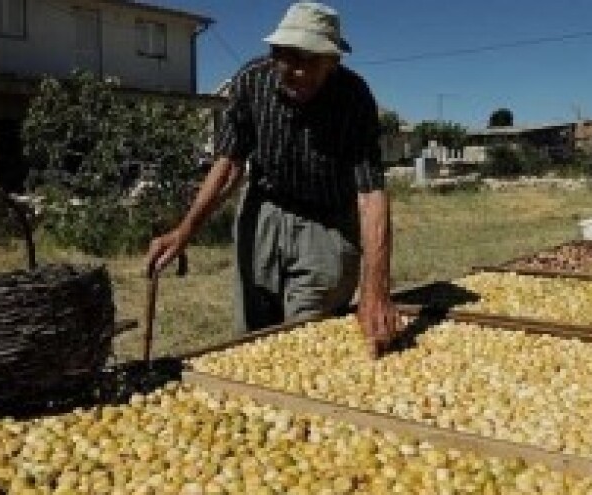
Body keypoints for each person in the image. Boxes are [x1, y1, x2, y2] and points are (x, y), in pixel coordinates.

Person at [145, 2, 402, 356]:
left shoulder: (353, 98)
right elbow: (230, 164)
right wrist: (185, 230)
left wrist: (376, 288)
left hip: (326, 225)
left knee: (309, 339)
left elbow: (371, 194)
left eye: (313, 60)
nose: (299, 71)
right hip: (264, 212)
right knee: (254, 336)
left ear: (333, 61)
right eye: (290, 58)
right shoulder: (251, 81)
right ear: (273, 54)